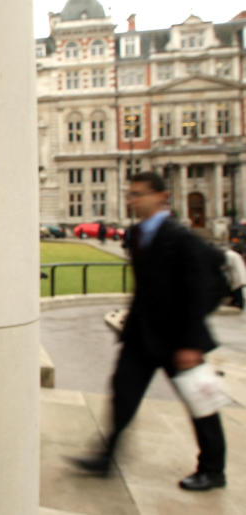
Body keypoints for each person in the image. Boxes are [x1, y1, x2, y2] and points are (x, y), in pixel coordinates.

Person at [69, 172, 227, 491]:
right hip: (142, 337)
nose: (132, 200)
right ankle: (104, 457)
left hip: (179, 341)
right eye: (131, 194)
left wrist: (192, 342)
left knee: (200, 405)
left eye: (138, 194)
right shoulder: (138, 233)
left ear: (160, 197)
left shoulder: (181, 237)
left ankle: (212, 469)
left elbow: (207, 286)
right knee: (123, 396)